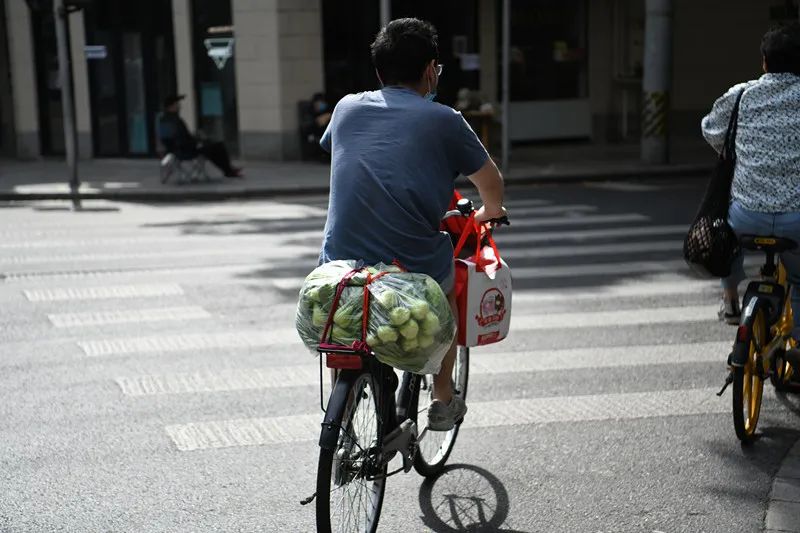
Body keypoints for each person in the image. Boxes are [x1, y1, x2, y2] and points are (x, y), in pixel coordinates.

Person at [319, 18, 506, 431]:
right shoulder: (445, 120)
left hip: (341, 264)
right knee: (449, 300)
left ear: (379, 70)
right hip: (412, 264)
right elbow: (490, 183)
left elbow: (339, 149)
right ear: (430, 70)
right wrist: (491, 210)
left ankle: (343, 413)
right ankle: (442, 400)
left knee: (348, 329)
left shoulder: (346, 108)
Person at [701, 23, 800, 338]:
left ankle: (730, 300)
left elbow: (711, 130)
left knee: (724, 240)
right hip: (795, 221)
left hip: (746, 217)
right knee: (799, 281)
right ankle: (798, 343)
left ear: (764, 62)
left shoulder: (741, 95)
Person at [159, 94, 243, 178]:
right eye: (176, 104)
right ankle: (228, 170)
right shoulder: (175, 121)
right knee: (217, 146)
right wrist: (197, 142)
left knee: (212, 146)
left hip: (178, 149)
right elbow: (181, 138)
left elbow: (173, 138)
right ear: (171, 107)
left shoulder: (164, 120)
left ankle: (228, 170)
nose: (179, 106)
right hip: (185, 150)